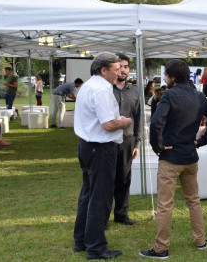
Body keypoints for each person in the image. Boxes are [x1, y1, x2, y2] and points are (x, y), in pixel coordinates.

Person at [139, 60, 207, 259]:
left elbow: (157, 121)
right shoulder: (198, 96)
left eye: (166, 74)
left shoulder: (169, 95)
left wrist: (157, 147)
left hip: (171, 158)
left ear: (172, 76)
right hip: (189, 157)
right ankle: (200, 240)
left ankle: (160, 249)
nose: (164, 77)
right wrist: (200, 142)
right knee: (193, 201)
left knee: (165, 204)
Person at [73, 52, 132, 260]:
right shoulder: (101, 90)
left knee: (88, 194)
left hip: (88, 146)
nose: (121, 72)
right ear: (103, 70)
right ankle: (96, 247)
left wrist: (117, 120)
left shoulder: (90, 86)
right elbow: (108, 124)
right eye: (117, 69)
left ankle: (81, 240)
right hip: (101, 148)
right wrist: (125, 122)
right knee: (100, 198)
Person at [109, 54, 141, 226]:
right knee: (107, 179)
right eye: (120, 66)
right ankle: (102, 216)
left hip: (127, 141)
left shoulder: (134, 92)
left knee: (124, 178)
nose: (123, 69)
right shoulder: (105, 90)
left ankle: (121, 214)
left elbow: (138, 118)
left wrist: (137, 143)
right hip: (107, 141)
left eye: (126, 66)